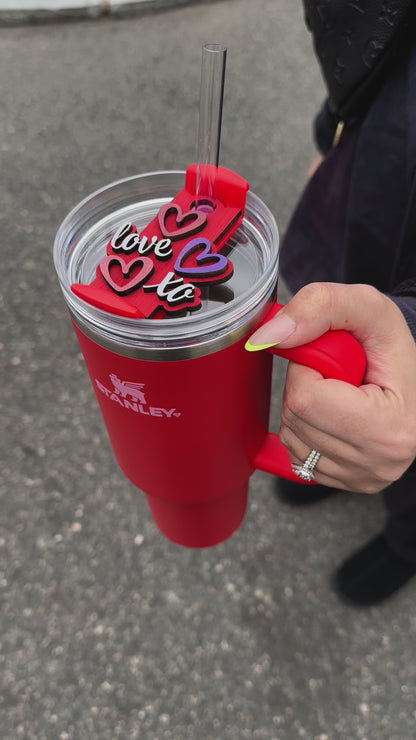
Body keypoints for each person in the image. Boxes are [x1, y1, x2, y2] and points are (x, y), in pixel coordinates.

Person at [247, 0, 416, 606]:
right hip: (378, 163)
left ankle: (406, 540)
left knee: (405, 403)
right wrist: (336, 126)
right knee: (345, 353)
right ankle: (337, 465)